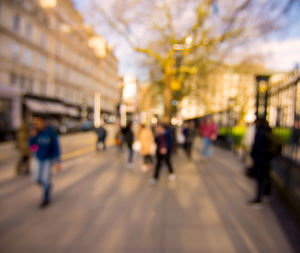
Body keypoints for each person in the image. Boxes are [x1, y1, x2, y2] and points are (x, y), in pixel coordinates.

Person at [29, 116, 61, 208]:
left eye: (38, 122)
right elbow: (32, 146)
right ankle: (47, 185)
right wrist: (32, 138)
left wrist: (57, 161)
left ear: (44, 122)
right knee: (37, 179)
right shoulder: (36, 133)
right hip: (38, 158)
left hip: (48, 159)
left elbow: (56, 147)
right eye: (35, 123)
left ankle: (46, 198)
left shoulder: (50, 132)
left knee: (45, 179)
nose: (37, 125)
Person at [249, 118, 274, 206]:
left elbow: (256, 147)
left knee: (260, 179)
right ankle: (266, 193)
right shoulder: (269, 131)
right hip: (267, 159)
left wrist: (253, 155)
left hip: (260, 159)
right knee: (265, 177)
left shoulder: (260, 132)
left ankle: (258, 199)